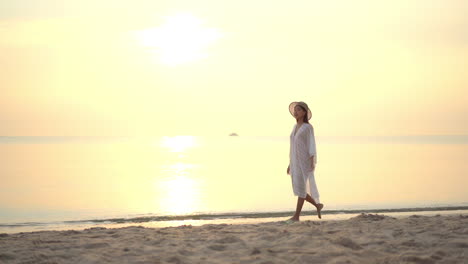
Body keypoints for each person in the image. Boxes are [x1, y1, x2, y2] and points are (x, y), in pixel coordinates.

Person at [287, 101, 324, 221]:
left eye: (298, 110)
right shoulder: (294, 127)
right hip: (295, 162)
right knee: (299, 188)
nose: (295, 112)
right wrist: (290, 163)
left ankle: (296, 216)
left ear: (304, 112)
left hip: (304, 161)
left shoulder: (308, 127)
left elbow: (311, 144)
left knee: (301, 188)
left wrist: (312, 161)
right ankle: (317, 205)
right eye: (295, 110)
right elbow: (293, 146)